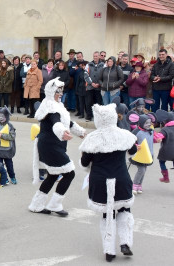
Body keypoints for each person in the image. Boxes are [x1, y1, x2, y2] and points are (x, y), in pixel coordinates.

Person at [79, 103, 137, 262]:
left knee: (107, 213)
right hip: (121, 179)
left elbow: (84, 164)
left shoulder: (92, 138)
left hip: (100, 181)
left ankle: (109, 251)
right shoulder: (124, 134)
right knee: (125, 209)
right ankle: (125, 242)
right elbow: (133, 151)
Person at [29, 78, 85, 216]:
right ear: (51, 91)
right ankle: (55, 204)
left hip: (54, 144)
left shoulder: (57, 104)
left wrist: (80, 132)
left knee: (53, 175)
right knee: (69, 173)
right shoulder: (51, 106)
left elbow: (67, 122)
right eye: (57, 90)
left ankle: (36, 205)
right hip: (50, 145)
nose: (60, 93)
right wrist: (62, 132)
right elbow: (56, 123)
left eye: (61, 90)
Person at [126, 112, 161, 194]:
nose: (148, 124)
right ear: (141, 123)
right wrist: (136, 146)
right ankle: (134, 185)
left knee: (144, 170)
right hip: (139, 155)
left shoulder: (151, 131)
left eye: (149, 123)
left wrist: (157, 140)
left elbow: (153, 139)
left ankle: (139, 185)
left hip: (148, 154)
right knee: (141, 170)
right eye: (146, 123)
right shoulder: (136, 131)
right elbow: (130, 141)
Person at [0, 107, 17, 185]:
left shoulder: (10, 126)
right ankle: (4, 179)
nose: (1, 118)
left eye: (3, 116)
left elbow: (12, 136)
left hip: (8, 150)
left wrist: (2, 136)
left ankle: (12, 177)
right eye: (0, 116)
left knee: (9, 166)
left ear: (7, 117)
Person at [155, 109, 174, 183]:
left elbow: (159, 137)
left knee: (162, 162)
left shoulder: (165, 129)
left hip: (166, 151)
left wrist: (156, 137)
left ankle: (166, 177)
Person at [84, 51, 104, 119]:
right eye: (94, 56)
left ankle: (98, 117)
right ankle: (89, 116)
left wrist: (99, 83)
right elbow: (86, 75)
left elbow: (104, 75)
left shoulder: (103, 65)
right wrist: (91, 83)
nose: (95, 57)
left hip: (99, 87)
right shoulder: (88, 65)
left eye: (96, 56)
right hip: (90, 87)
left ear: (99, 56)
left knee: (98, 103)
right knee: (89, 102)